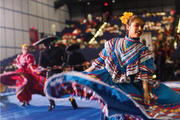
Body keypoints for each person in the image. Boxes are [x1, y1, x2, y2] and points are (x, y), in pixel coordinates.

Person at [44, 12, 180, 119]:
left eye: (142, 26)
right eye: (136, 25)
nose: (139, 29)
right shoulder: (113, 43)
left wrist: (145, 91)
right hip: (110, 80)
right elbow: (100, 60)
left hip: (130, 85)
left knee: (165, 101)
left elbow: (145, 72)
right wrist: (85, 73)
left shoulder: (143, 50)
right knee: (109, 109)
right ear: (128, 26)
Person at [38, 36, 78, 111]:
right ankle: (72, 101)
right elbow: (66, 58)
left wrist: (49, 67)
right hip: (56, 70)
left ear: (44, 45)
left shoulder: (43, 52)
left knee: (49, 88)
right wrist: (62, 65)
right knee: (65, 87)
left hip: (53, 71)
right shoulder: (58, 49)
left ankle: (52, 104)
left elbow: (41, 64)